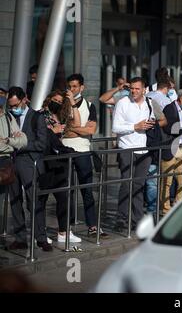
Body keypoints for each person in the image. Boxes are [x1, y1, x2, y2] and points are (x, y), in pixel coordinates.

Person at [113, 77, 167, 230]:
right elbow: (115, 127)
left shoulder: (149, 103)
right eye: (132, 88)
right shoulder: (122, 103)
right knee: (126, 184)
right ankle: (121, 218)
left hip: (145, 149)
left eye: (137, 88)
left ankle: (137, 219)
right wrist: (135, 126)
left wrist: (152, 124)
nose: (134, 91)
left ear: (144, 90)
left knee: (138, 185)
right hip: (127, 149)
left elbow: (163, 121)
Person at [6, 87, 52, 252]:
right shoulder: (7, 117)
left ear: (24, 99)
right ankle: (20, 238)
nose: (13, 108)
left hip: (30, 162)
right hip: (11, 163)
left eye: (15, 105)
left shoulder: (36, 117)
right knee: (15, 201)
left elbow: (41, 143)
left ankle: (41, 237)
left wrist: (20, 144)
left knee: (34, 201)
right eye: (10, 106)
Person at [62, 74, 107, 238]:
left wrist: (72, 129)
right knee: (66, 191)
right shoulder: (63, 104)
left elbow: (90, 130)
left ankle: (92, 225)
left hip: (83, 151)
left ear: (82, 87)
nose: (72, 89)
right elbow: (63, 128)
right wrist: (74, 128)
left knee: (86, 190)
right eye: (70, 86)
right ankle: (67, 227)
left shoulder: (89, 106)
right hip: (65, 150)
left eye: (75, 86)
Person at [39, 90, 82, 243]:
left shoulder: (60, 115)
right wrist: (53, 131)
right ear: (48, 99)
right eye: (54, 100)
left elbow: (77, 124)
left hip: (59, 161)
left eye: (60, 101)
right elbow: (38, 135)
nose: (56, 103)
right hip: (45, 161)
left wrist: (71, 101)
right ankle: (40, 233)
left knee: (64, 197)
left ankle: (64, 231)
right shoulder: (40, 115)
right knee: (41, 199)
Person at [160, 89, 182, 217]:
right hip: (170, 149)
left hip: (181, 149)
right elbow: (169, 128)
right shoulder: (170, 109)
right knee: (166, 181)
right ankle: (165, 209)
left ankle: (178, 205)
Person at [0, 95, 27, 237]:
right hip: (4, 156)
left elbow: (23, 140)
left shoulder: (8, 117)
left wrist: (7, 140)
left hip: (4, 162)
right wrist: (10, 141)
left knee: (2, 200)